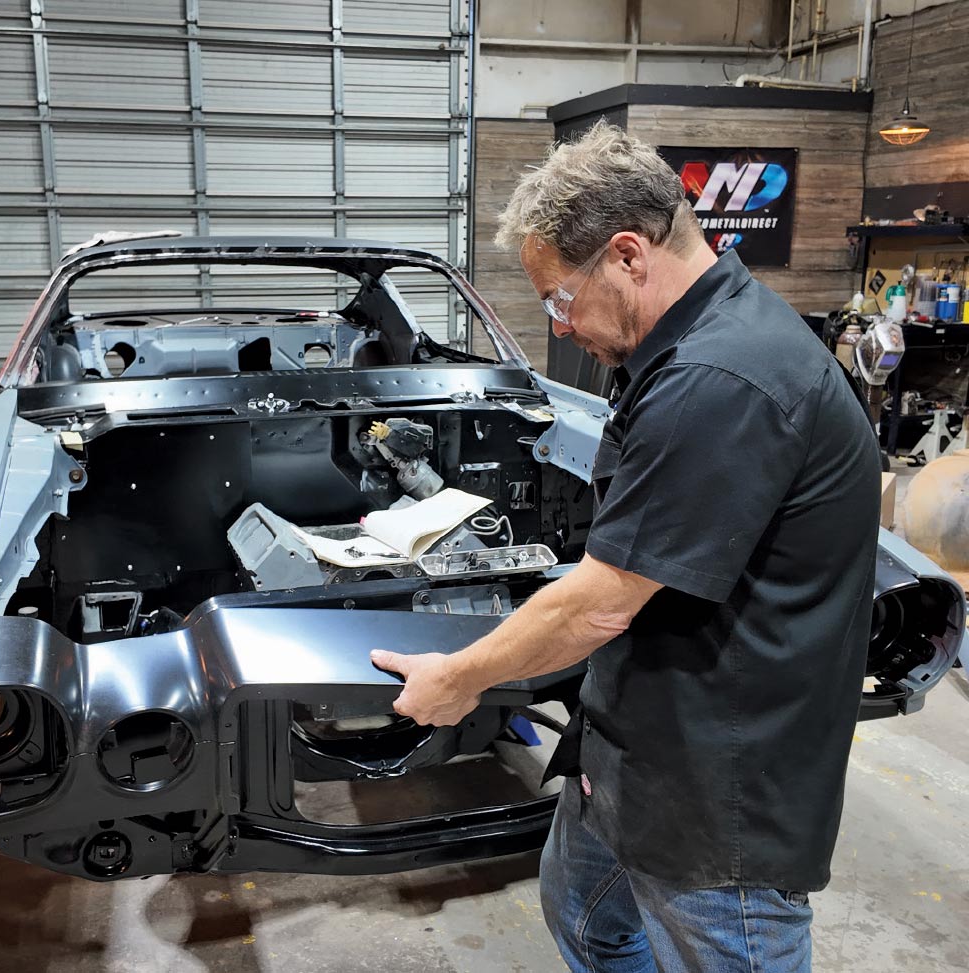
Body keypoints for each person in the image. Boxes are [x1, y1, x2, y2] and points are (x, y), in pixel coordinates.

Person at [369, 122, 881, 972]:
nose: (562, 327)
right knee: (587, 919)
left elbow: (600, 603)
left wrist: (460, 677)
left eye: (559, 300)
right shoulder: (683, 347)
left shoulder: (721, 380)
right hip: (637, 743)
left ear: (628, 256)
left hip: (720, 794)